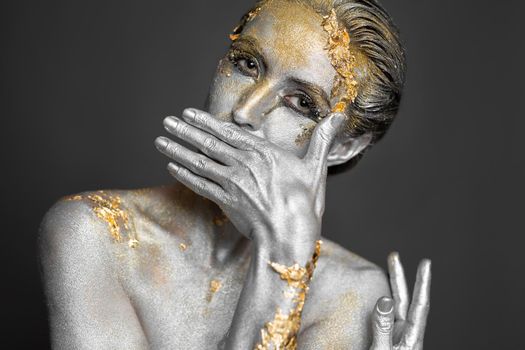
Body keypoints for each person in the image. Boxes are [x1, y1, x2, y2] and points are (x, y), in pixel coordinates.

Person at [38, 0, 431, 349]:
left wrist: (284, 255)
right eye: (246, 64)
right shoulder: (94, 234)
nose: (245, 112)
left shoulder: (352, 294)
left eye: (300, 102)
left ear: (343, 147)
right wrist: (286, 265)